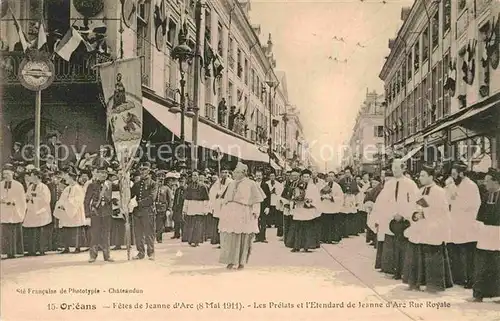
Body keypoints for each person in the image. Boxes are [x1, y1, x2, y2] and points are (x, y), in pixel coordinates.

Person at [403, 164, 453, 293]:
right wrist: (415, 214)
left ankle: (434, 285)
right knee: (416, 253)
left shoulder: (439, 192)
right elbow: (413, 206)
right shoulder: (419, 191)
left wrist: (425, 213)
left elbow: (442, 211)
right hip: (420, 227)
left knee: (432, 255)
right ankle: (416, 282)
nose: (420, 178)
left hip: (433, 227)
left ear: (431, 177)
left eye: (423, 175)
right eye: (420, 175)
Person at [218, 162, 265, 269]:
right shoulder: (231, 184)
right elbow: (224, 199)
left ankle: (241, 262)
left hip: (245, 214)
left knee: (244, 238)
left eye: (237, 172)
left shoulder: (251, 184)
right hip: (231, 214)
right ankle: (230, 260)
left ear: (243, 173)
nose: (234, 173)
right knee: (231, 237)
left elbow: (257, 200)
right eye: (234, 172)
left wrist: (256, 212)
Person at [377, 159, 419, 279]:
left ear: (403, 168)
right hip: (391, 218)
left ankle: (403, 271)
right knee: (391, 243)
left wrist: (403, 214)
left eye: (397, 168)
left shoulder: (410, 184)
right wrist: (392, 214)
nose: (395, 170)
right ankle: (392, 269)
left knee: (403, 244)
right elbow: (384, 201)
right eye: (393, 168)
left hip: (405, 219)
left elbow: (414, 200)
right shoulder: (389, 184)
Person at [447, 162, 481, 288]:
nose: (453, 177)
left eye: (454, 174)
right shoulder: (454, 185)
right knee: (456, 251)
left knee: (468, 253)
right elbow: (448, 200)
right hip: (456, 223)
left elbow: (473, 204)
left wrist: (457, 197)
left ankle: (470, 279)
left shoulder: (471, 186)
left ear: (461, 173)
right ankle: (460, 278)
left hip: (467, 223)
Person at [469, 169, 500, 302]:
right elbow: (480, 215)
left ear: (496, 181)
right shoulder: (486, 195)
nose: (485, 183)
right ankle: (479, 294)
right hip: (486, 234)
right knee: (482, 264)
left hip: (498, 234)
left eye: (487, 181)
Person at [285, 169, 321, 252]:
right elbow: (293, 195)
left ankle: (307, 246)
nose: (306, 178)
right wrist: (295, 199)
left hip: (308, 209)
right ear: (301, 177)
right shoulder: (297, 185)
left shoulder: (313, 187)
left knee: (307, 228)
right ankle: (297, 246)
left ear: (310, 177)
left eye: (307, 177)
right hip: (299, 208)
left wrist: (309, 201)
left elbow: (316, 198)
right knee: (297, 228)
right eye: (304, 177)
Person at [83, 166, 114, 263]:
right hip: (96, 212)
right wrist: (87, 215)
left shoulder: (109, 184)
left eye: (105, 173)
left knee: (106, 235)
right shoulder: (91, 185)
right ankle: (93, 255)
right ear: (96, 174)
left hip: (107, 212)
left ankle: (107, 255)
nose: (104, 175)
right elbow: (86, 201)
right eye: (101, 173)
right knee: (94, 234)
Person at [131, 162, 158, 260]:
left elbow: (152, 198)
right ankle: (140, 252)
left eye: (145, 169)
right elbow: (130, 195)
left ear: (149, 171)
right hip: (137, 212)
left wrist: (139, 203)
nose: (142, 172)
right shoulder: (137, 184)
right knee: (138, 234)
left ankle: (151, 253)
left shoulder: (153, 184)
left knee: (149, 233)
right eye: (141, 170)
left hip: (148, 212)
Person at [22, 168, 52, 256]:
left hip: (40, 212)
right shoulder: (31, 186)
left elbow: (45, 199)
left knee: (40, 231)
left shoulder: (44, 187)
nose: (30, 178)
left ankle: (41, 249)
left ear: (36, 177)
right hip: (31, 211)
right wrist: (27, 198)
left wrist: (33, 199)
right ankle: (32, 250)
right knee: (31, 231)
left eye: (31, 176)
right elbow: (27, 195)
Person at [0, 164, 26, 259]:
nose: (5, 175)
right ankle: (5, 252)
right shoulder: (1, 184)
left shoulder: (18, 185)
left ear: (12, 173)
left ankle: (14, 252)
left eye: (7, 173)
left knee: (13, 233)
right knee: (5, 233)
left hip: (14, 211)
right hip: (3, 211)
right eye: (4, 174)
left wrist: (13, 202)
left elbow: (21, 199)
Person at [182, 171, 210, 247]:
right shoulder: (189, 186)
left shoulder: (203, 186)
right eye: (193, 175)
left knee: (198, 225)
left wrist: (205, 210)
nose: (194, 177)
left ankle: (197, 241)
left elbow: (206, 199)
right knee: (191, 225)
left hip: (199, 207)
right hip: (191, 207)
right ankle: (190, 240)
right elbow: (186, 199)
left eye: (195, 175)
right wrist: (185, 209)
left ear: (198, 176)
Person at [208, 168, 232, 246]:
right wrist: (216, 194)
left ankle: (227, 242)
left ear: (228, 173)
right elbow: (212, 192)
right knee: (218, 223)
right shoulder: (217, 182)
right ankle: (219, 241)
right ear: (220, 173)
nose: (224, 174)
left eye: (226, 172)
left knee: (226, 223)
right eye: (223, 172)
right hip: (218, 204)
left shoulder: (231, 182)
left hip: (226, 204)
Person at [319, 171, 344, 244]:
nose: (330, 177)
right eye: (329, 176)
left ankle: (333, 238)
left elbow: (340, 197)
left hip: (333, 207)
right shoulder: (324, 185)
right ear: (327, 177)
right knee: (325, 223)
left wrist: (331, 198)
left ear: (334, 177)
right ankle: (324, 238)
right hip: (325, 207)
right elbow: (319, 194)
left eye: (332, 176)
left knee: (333, 224)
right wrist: (322, 197)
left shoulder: (337, 186)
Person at [338, 167, 360, 237]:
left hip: (351, 199)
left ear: (350, 173)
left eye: (348, 172)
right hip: (344, 198)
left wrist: (353, 194)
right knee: (344, 216)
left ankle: (352, 231)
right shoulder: (341, 181)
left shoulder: (353, 181)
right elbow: (339, 190)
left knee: (352, 215)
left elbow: (356, 190)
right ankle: (344, 232)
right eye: (346, 173)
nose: (347, 174)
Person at [280, 168, 301, 240]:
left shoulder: (300, 184)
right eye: (292, 175)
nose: (294, 177)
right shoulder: (290, 183)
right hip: (289, 205)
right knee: (289, 222)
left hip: (297, 206)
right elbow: (285, 194)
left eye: (296, 175)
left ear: (299, 175)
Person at [254, 170, 271, 243]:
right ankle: (257, 237)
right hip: (255, 205)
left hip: (263, 206)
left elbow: (268, 196)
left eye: (259, 176)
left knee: (263, 222)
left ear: (262, 176)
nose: (258, 177)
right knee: (255, 222)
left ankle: (263, 237)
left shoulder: (265, 185)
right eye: (257, 176)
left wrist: (268, 207)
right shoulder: (253, 185)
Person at [171, 174, 186, 239]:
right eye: (180, 182)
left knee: (182, 221)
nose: (181, 183)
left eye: (182, 182)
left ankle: (184, 234)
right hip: (176, 207)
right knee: (176, 221)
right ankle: (176, 234)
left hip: (182, 207)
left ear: (185, 182)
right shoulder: (177, 190)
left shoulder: (185, 189)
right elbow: (175, 199)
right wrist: (173, 206)